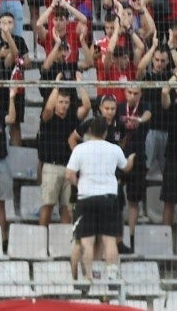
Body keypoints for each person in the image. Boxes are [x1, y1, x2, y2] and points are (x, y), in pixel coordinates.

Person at [66, 113, 131, 288]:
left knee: (87, 241)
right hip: (108, 197)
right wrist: (131, 159)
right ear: (105, 132)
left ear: (89, 131)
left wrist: (79, 184)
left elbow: (69, 174)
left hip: (86, 197)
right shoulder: (114, 149)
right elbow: (125, 167)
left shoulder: (80, 149)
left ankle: (87, 278)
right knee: (109, 240)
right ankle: (111, 278)